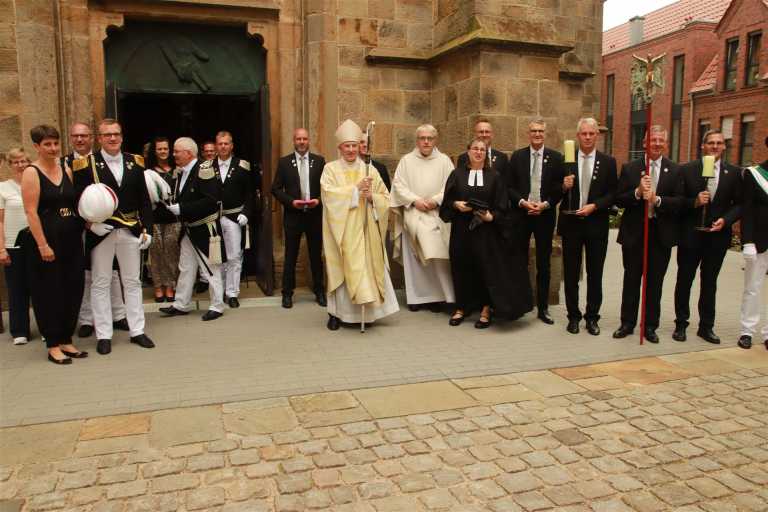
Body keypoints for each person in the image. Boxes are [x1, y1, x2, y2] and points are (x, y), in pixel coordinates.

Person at [72, 118, 155, 355]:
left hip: (130, 229)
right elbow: (76, 201)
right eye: (107, 134)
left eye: (116, 134)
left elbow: (144, 200)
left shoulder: (135, 162)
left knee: (132, 282)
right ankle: (104, 335)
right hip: (102, 231)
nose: (112, 138)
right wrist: (89, 225)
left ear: (121, 136)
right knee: (100, 282)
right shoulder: (86, 165)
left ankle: (137, 331)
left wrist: (148, 229)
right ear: (99, 138)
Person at [440, 138, 532, 328]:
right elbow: (447, 202)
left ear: (486, 153)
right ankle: (461, 307)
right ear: (468, 152)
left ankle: (485, 309)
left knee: (485, 269)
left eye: (482, 149)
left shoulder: (494, 176)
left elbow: (503, 205)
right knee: (461, 267)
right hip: (461, 230)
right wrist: (456, 204)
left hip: (486, 232)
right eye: (475, 149)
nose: (478, 152)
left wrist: (492, 216)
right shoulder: (456, 174)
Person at [321, 119, 398, 330]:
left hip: (366, 230)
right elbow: (329, 196)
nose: (351, 150)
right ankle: (336, 313)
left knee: (367, 270)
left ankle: (367, 315)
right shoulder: (330, 169)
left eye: (354, 146)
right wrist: (355, 190)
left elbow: (385, 197)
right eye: (347, 146)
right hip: (343, 230)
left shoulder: (369, 170)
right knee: (341, 269)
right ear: (340, 147)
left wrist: (372, 197)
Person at [21, 125, 86, 364]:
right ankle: (53, 344)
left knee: (73, 289)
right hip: (47, 243)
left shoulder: (66, 169)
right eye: (47, 144)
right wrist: (42, 245)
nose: (53, 148)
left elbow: (73, 204)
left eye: (56, 143)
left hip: (71, 240)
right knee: (49, 292)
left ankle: (66, 339)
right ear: (36, 146)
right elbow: (31, 212)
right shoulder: (31, 173)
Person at [613, 126, 683, 343]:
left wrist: (657, 200)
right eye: (653, 140)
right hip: (635, 233)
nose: (657, 143)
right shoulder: (630, 168)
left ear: (666, 144)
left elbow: (680, 202)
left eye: (661, 140)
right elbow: (619, 199)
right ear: (644, 143)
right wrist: (636, 192)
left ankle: (650, 325)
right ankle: (627, 322)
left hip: (660, 235)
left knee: (655, 282)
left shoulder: (675, 170)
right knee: (631, 279)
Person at [673, 130, 742, 344]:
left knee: (710, 282)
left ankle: (706, 327)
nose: (715, 146)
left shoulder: (734, 173)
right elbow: (677, 201)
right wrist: (694, 202)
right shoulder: (687, 170)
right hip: (691, 235)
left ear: (724, 147)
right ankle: (681, 324)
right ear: (703, 146)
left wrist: (726, 220)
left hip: (717, 237)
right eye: (711, 143)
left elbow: (739, 204)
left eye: (719, 143)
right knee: (685, 280)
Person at [64, 122, 126, 338]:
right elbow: (69, 199)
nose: (80, 140)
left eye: (84, 136)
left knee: (114, 271)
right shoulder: (65, 163)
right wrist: (88, 224)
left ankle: (118, 314)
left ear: (92, 138)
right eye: (75, 136)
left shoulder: (102, 160)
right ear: (71, 138)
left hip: (111, 224)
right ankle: (87, 319)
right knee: (88, 273)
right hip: (80, 226)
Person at [558, 117, 618, 336]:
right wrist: (563, 187)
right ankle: (573, 316)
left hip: (596, 225)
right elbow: (554, 191)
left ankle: (592, 317)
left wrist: (595, 205)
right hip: (571, 224)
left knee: (595, 273)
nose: (587, 137)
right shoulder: (566, 160)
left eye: (591, 133)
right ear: (577, 136)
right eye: (584, 133)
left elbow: (613, 193)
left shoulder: (608, 162)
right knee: (571, 274)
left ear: (597, 136)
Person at [160, 137, 226, 321]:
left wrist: (182, 209)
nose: (173, 155)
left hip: (205, 229)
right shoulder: (180, 172)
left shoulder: (204, 170)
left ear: (188, 153)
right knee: (186, 267)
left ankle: (217, 306)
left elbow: (211, 201)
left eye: (176, 151)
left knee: (211, 268)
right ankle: (181, 304)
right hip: (188, 229)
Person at [390, 124, 455, 311]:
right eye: (422, 138)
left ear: (435, 140)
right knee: (414, 259)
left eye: (430, 138)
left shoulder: (444, 161)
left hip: (436, 214)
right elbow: (398, 186)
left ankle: (437, 297)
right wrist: (414, 200)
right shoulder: (406, 161)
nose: (426, 142)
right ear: (417, 140)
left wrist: (436, 200)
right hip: (413, 212)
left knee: (438, 256)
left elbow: (451, 185)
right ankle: (417, 298)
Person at [506, 119, 565, 324]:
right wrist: (523, 203)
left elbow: (559, 188)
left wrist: (545, 204)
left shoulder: (556, 158)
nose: (537, 134)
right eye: (534, 131)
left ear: (545, 133)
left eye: (540, 131)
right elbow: (509, 186)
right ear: (528, 133)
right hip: (521, 215)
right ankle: (521, 304)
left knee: (543, 263)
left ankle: (543, 307)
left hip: (544, 216)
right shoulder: (518, 156)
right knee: (519, 260)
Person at [272, 128, 326, 308]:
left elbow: (327, 187)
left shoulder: (319, 162)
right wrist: (291, 202)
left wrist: (318, 201)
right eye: (298, 139)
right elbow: (275, 188)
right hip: (293, 216)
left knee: (316, 256)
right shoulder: (284, 163)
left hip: (314, 215)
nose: (302, 142)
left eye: (304, 139)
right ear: (294, 141)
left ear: (309, 141)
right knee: (290, 256)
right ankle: (287, 293)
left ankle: (319, 291)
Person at [212, 131, 253, 308]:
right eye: (220, 143)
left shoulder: (242, 166)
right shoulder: (207, 167)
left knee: (234, 256)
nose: (223, 146)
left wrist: (246, 213)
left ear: (231, 146)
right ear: (216, 146)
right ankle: (218, 291)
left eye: (226, 143)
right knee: (216, 257)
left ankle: (232, 293)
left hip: (234, 217)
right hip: (213, 218)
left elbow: (250, 193)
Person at [738, 136, 768, 350]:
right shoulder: (754, 174)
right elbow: (747, 209)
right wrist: (747, 241)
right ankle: (747, 331)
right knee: (752, 288)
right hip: (759, 241)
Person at [0, 148, 31, 345]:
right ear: (10, 165)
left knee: (41, 287)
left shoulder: (36, 184)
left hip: (36, 243)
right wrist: (1, 248)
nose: (20, 165)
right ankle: (20, 330)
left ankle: (47, 329)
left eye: (23, 161)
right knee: (16, 288)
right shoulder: (2, 188)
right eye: (16, 162)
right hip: (13, 245)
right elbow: (0, 221)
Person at [146, 137, 180, 303]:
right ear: (155, 151)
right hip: (154, 218)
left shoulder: (177, 170)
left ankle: (170, 286)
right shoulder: (148, 171)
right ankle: (158, 286)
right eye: (159, 149)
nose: (163, 151)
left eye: (165, 148)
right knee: (156, 252)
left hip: (173, 218)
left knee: (171, 252)